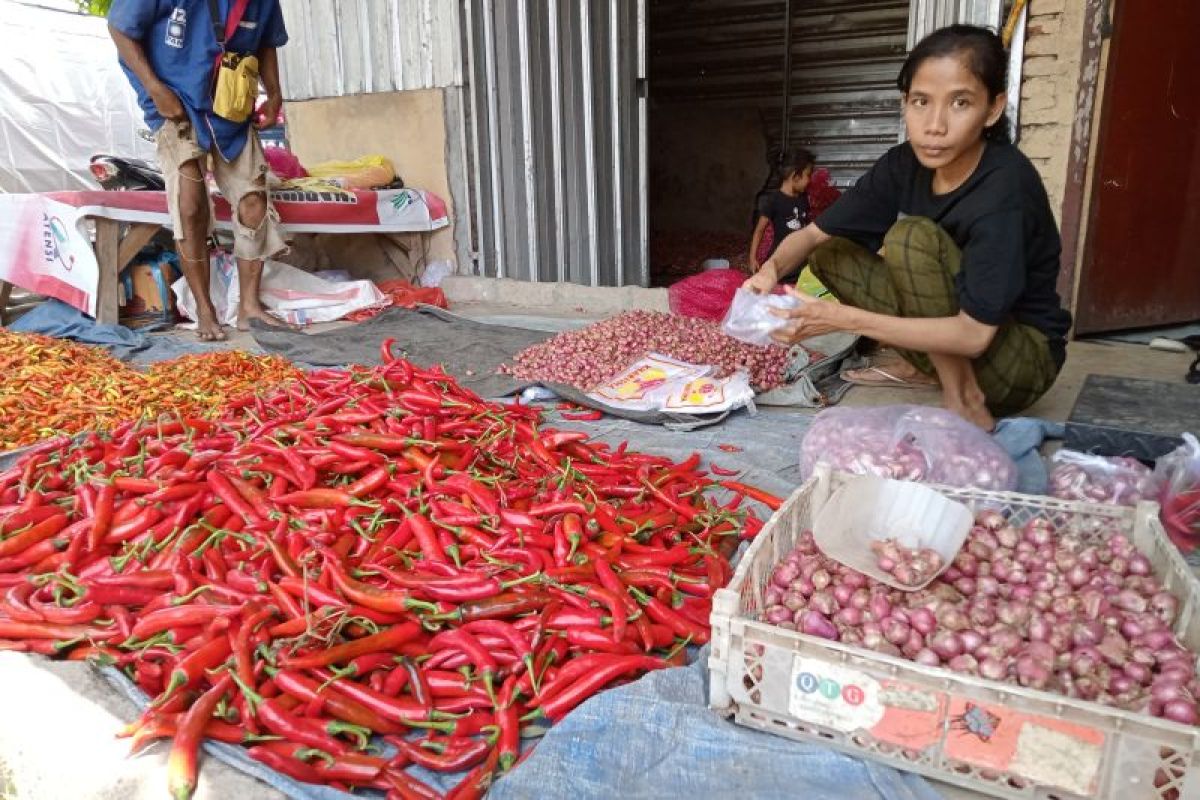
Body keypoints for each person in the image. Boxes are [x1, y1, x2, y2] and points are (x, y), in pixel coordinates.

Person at [744, 25, 1072, 431]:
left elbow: (974, 336)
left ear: (992, 108)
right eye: (921, 101)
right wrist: (769, 270)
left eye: (960, 103)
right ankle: (933, 369)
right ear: (905, 103)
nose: (934, 124)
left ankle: (962, 395)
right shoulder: (904, 164)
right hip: (954, 338)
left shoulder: (1005, 187)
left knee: (910, 238)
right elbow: (812, 235)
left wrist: (840, 318)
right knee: (831, 251)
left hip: (1019, 361)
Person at [108, 0, 297, 341]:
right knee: (190, 206)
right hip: (175, 103)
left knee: (253, 200)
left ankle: (249, 307)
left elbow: (267, 40)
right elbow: (120, 30)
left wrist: (274, 93)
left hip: (230, 106)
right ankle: (205, 311)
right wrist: (155, 89)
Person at [748, 149, 815, 272]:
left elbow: (806, 225)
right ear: (795, 176)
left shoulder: (804, 198)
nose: (809, 180)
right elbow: (759, 230)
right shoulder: (774, 200)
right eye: (808, 175)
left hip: (800, 261)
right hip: (781, 262)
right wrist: (753, 258)